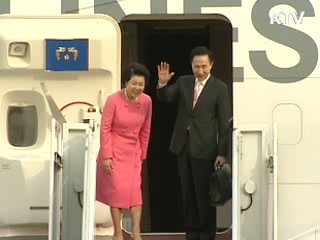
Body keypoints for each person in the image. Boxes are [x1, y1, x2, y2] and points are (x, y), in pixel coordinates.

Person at [156, 46, 230, 240]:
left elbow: (224, 123)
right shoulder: (184, 82)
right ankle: (191, 235)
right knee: (187, 193)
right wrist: (162, 84)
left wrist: (222, 152)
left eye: (204, 66)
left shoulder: (220, 88)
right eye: (196, 66)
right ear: (191, 65)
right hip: (182, 146)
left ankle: (206, 235)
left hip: (205, 149)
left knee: (204, 195)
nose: (200, 70)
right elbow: (166, 98)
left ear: (211, 65)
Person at [96, 62, 152, 240]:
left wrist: (142, 153)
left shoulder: (146, 101)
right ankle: (118, 233)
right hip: (115, 150)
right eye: (134, 83)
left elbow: (146, 129)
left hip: (133, 152)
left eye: (141, 84)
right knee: (117, 191)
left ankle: (136, 232)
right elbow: (105, 128)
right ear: (125, 83)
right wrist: (107, 156)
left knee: (135, 192)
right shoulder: (113, 100)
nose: (137, 88)